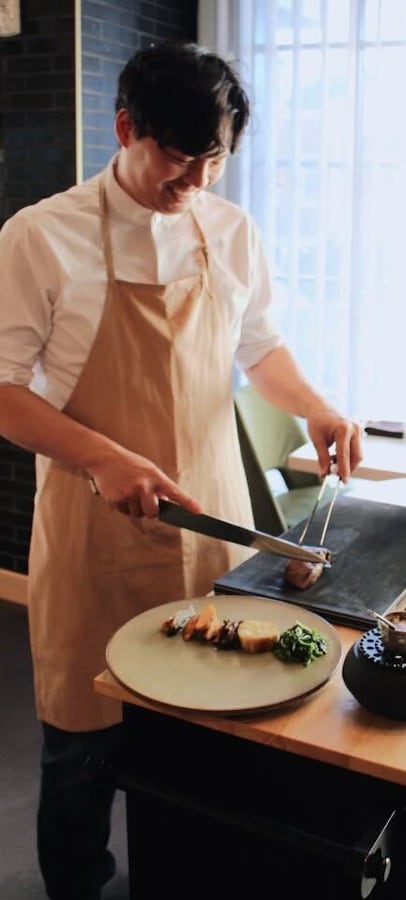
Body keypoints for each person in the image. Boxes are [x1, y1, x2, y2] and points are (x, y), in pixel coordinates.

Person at [0, 40, 362, 900]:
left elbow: (260, 348)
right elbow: (4, 392)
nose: (197, 179)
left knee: (212, 730)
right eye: (176, 155)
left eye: (215, 160)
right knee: (84, 747)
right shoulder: (39, 237)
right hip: (97, 532)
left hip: (212, 526)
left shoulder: (230, 230)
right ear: (126, 128)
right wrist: (102, 454)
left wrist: (315, 405)